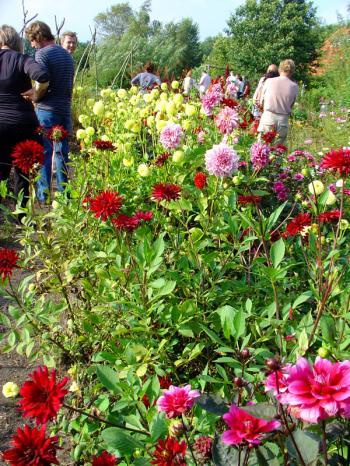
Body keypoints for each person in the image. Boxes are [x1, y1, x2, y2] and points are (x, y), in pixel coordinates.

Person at [25, 21, 74, 202]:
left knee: (45, 153)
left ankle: (43, 196)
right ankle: (65, 195)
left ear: (38, 37)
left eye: (31, 40)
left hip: (47, 110)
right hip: (64, 110)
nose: (31, 44)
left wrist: (34, 96)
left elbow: (43, 83)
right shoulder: (67, 55)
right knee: (62, 154)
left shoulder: (42, 54)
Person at [0, 24, 49, 206]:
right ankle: (21, 219)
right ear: (15, 41)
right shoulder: (21, 59)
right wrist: (37, 93)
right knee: (24, 173)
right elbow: (42, 76)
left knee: (0, 173)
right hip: (24, 124)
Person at [258, 59, 299, 144]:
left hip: (268, 117)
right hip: (283, 120)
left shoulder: (269, 81)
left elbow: (261, 101)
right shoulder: (294, 86)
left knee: (262, 149)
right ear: (292, 71)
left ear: (280, 69)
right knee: (278, 151)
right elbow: (291, 105)